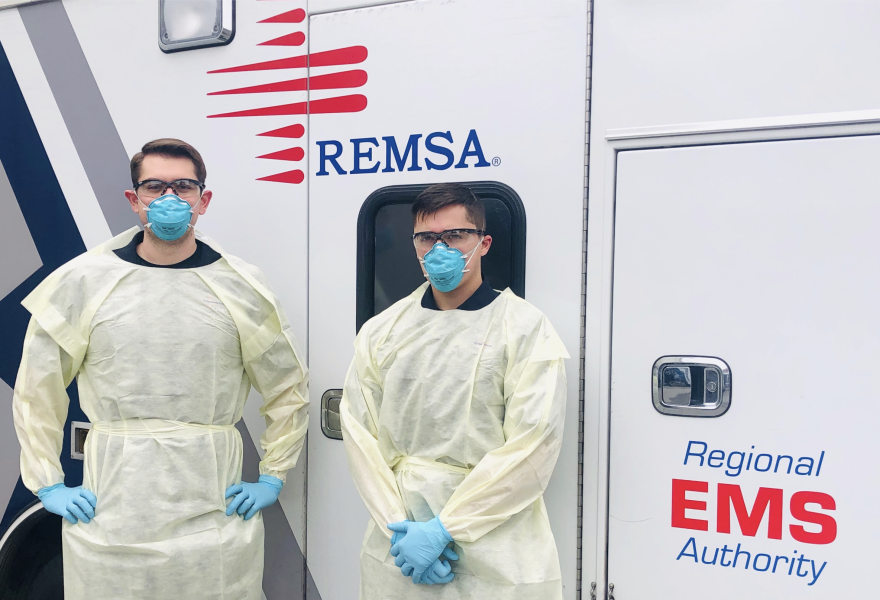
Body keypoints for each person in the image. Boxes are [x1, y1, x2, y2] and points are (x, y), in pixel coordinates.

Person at [11, 138, 309, 600]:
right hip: (114, 507)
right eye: (155, 187)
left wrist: (274, 474)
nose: (169, 199)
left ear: (203, 200)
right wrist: (47, 482)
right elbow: (36, 390)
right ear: (135, 200)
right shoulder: (85, 283)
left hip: (210, 507)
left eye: (184, 187)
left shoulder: (241, 287)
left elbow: (287, 386)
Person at [340, 183, 569, 599]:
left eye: (455, 235)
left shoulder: (524, 329)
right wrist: (401, 530)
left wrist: (447, 528)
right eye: (427, 237)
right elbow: (359, 435)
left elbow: (534, 444)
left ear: (483, 243)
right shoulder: (383, 331)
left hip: (496, 543)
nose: (440, 249)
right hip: (402, 541)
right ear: (415, 246)